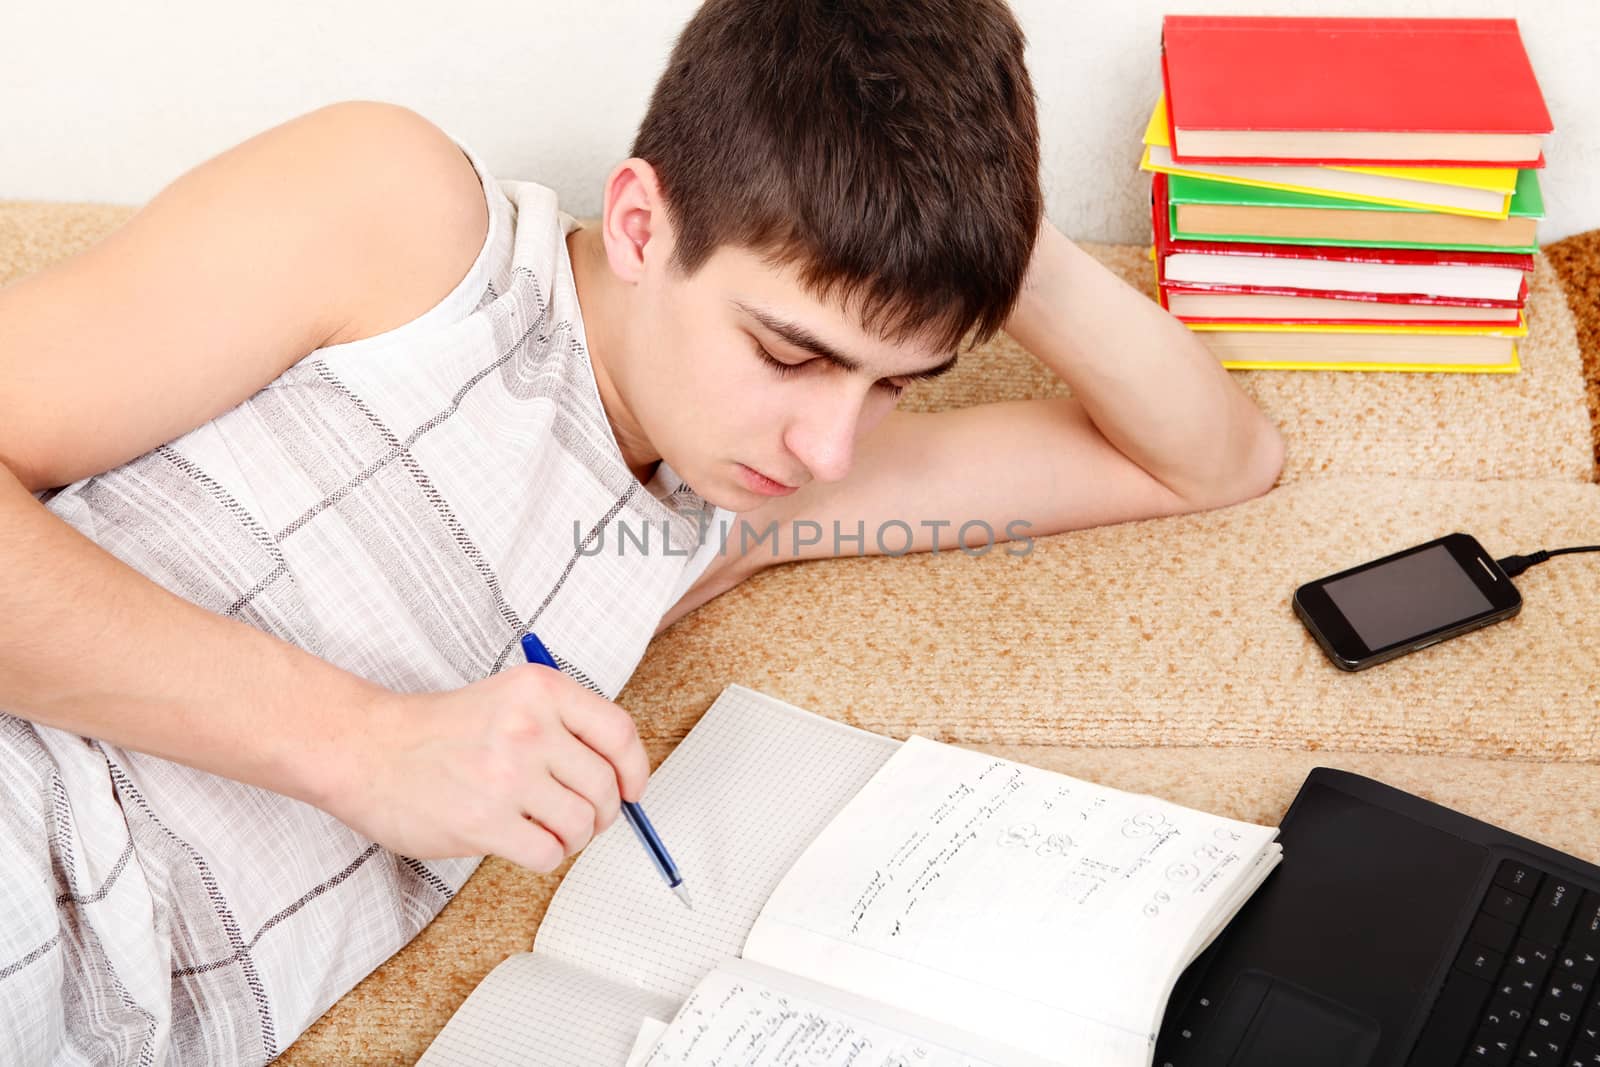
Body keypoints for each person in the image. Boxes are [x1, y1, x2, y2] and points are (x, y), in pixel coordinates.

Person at [0, 0, 1283, 1061]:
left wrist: (990, 230)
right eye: (788, 350)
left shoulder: (741, 498)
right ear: (637, 222)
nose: (827, 446)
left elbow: (1211, 460)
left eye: (896, 383)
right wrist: (355, 742)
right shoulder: (406, 227)